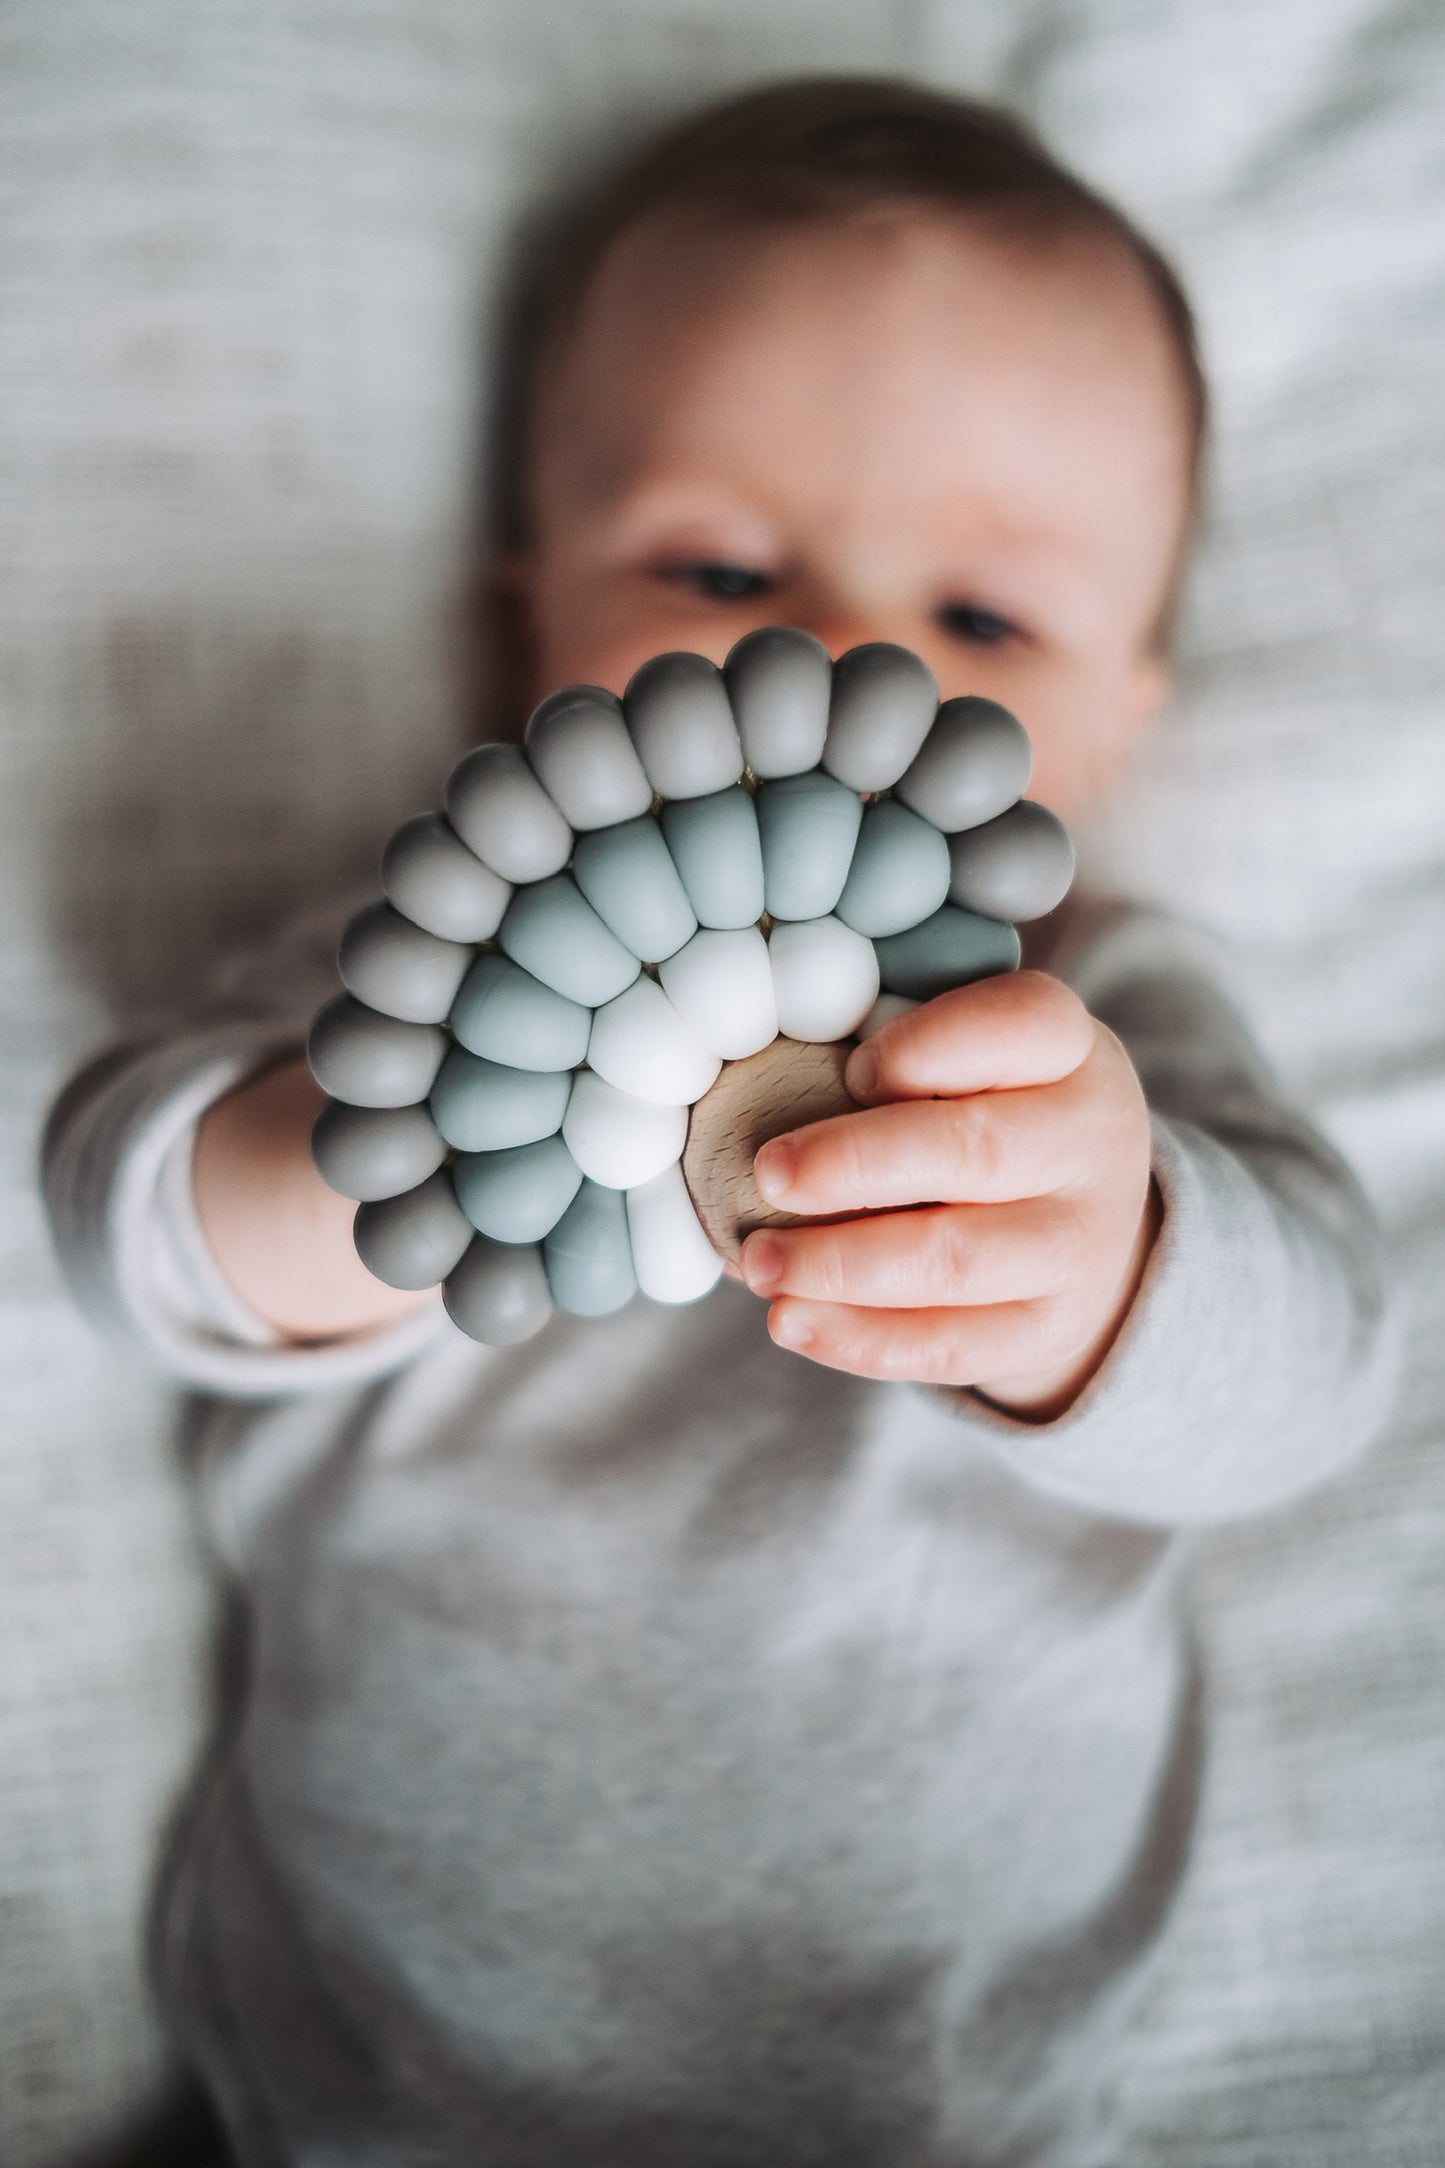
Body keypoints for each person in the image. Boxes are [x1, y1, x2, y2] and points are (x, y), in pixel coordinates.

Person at [43, 78, 1396, 2166]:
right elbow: (117, 1212)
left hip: (939, 2101)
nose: (839, 660)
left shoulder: (1089, 1015)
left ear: (1122, 717)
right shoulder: (434, 937)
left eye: (982, 621)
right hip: (369, 2080)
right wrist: (376, 1140)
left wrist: (1111, 1263)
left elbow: (1316, 1375)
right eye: (721, 563)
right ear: (524, 635)